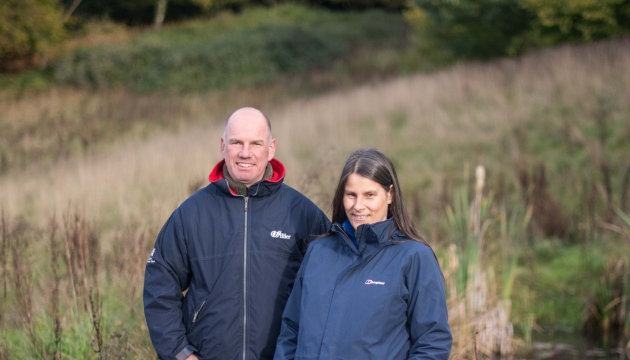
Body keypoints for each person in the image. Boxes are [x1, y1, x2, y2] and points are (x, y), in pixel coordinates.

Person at [143, 107, 330, 360]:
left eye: (256, 143)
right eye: (236, 142)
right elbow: (159, 286)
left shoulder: (303, 215)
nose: (245, 153)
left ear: (271, 148)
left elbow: (332, 294)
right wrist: (180, 354)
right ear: (223, 146)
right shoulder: (191, 214)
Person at [274, 149, 452, 360]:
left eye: (369, 195)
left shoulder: (414, 257)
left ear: (390, 195)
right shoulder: (318, 251)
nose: (359, 206)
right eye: (351, 195)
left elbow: (432, 344)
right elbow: (291, 329)